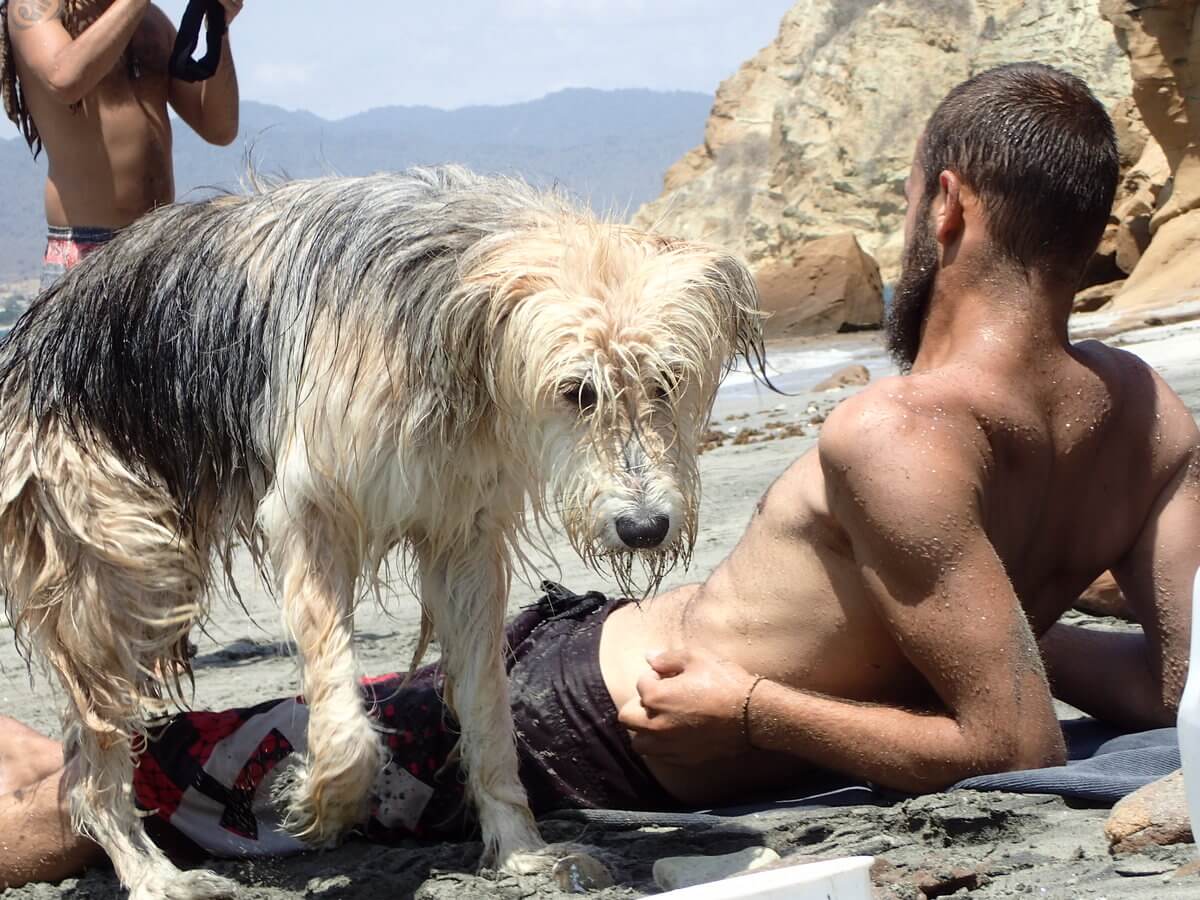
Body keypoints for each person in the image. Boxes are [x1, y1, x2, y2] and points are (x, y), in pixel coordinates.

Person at [2, 62, 1199, 889]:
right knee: (93, 775)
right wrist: (1020, 621)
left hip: (580, 715)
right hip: (557, 669)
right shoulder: (1154, 422)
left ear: (943, 209)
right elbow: (1176, 695)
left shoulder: (902, 437)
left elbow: (1017, 737)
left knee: (111, 792)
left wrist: (754, 710)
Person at [0, 0, 245, 289]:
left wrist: (218, 27)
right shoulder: (35, 7)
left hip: (160, 246)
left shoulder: (150, 21)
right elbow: (64, 79)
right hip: (86, 252)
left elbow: (219, 128)